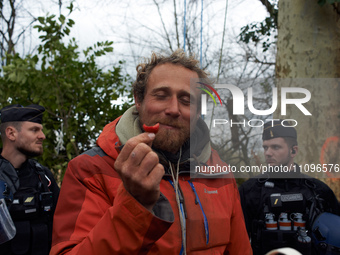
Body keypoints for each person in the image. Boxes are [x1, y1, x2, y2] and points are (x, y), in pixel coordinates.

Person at [50, 49, 252, 254]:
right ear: (139, 100)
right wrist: (135, 204)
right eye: (161, 96)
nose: (173, 109)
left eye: (186, 100)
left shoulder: (220, 174)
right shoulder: (89, 169)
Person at [239, 120, 340, 255]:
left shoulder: (319, 191)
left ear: (293, 151)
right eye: (265, 147)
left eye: (275, 147)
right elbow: (237, 242)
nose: (268, 153)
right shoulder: (249, 191)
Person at [0, 104, 60, 255]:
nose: (42, 136)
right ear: (11, 133)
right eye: (34, 130)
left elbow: (63, 224)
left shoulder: (44, 177)